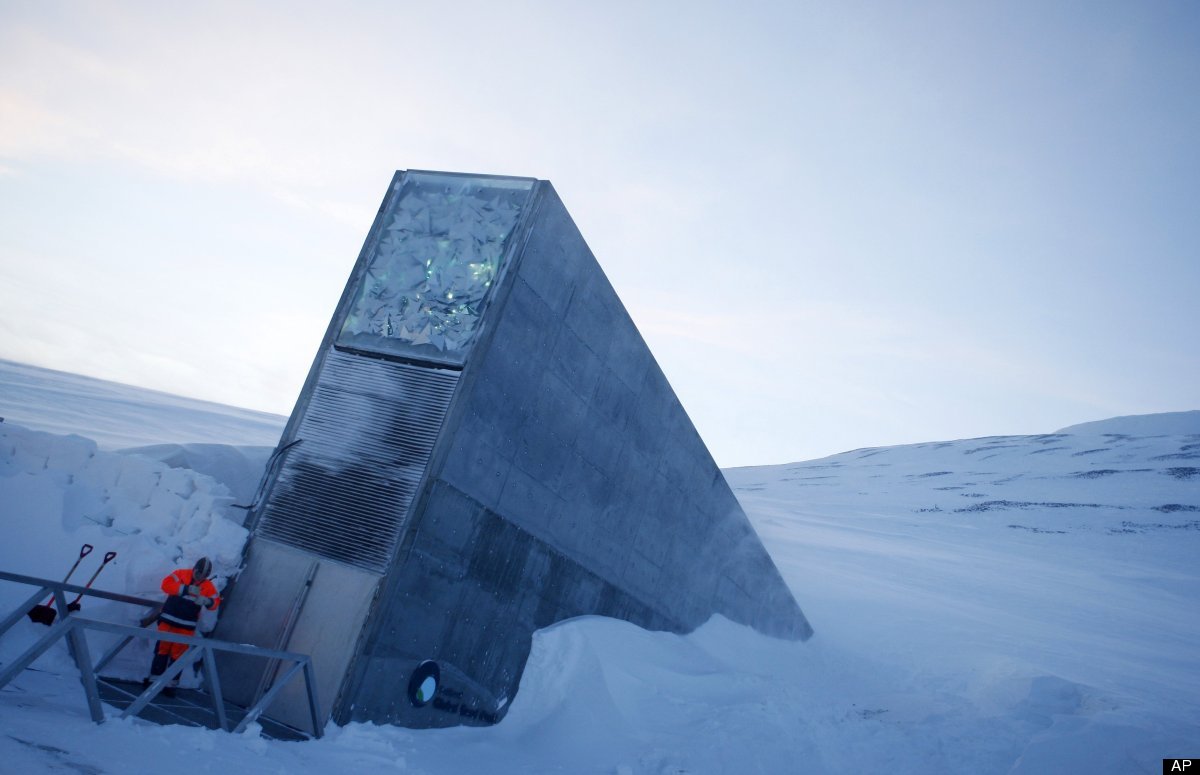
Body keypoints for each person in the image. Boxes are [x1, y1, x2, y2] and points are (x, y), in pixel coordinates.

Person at [146, 557, 221, 693]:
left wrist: (207, 601)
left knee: (178, 655)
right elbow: (165, 585)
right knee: (162, 650)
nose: (200, 578)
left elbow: (216, 602)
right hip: (168, 620)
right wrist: (185, 589)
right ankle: (154, 681)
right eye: (199, 574)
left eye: (204, 576)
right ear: (194, 569)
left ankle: (170, 685)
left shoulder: (208, 586)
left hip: (187, 626)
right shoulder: (180, 574)